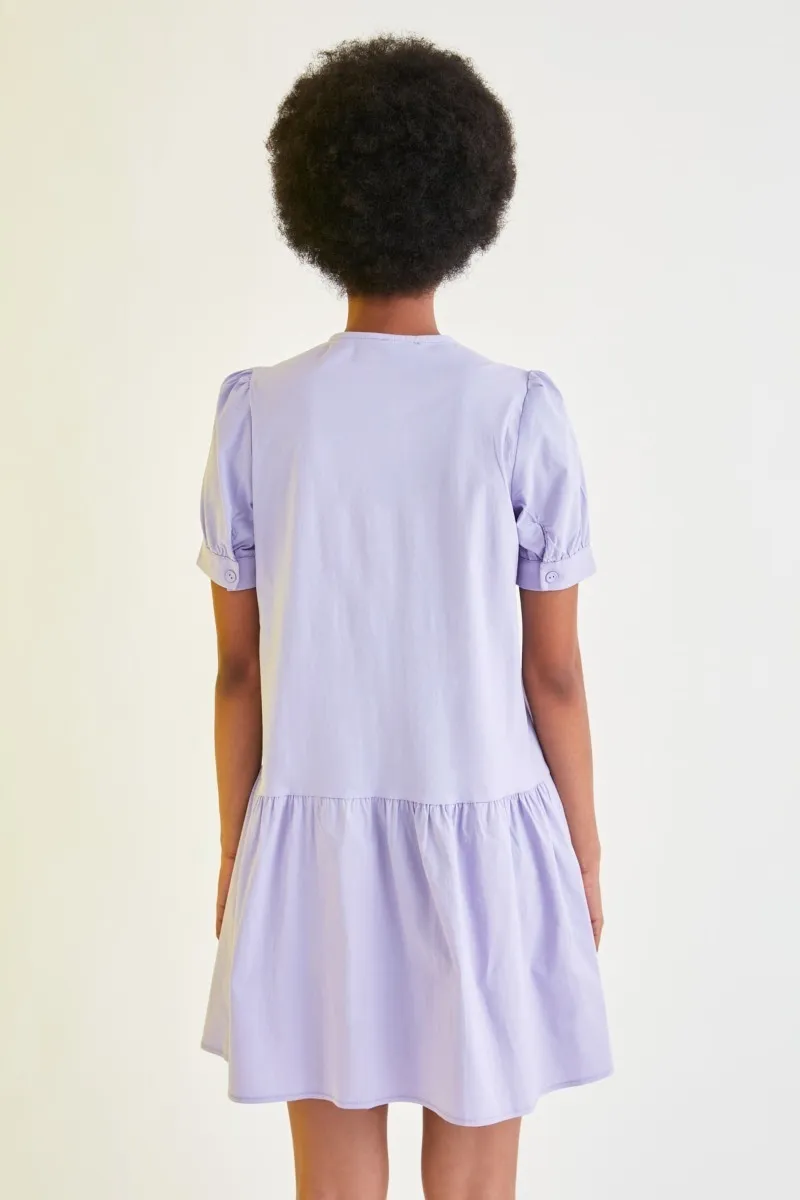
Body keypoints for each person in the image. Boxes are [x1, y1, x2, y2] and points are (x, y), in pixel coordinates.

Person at [196, 33, 612, 1200]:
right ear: (469, 202)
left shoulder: (258, 414)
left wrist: (236, 849)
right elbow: (553, 676)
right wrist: (581, 852)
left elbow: (239, 671)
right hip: (483, 832)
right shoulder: (514, 414)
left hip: (310, 837)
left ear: (312, 201)